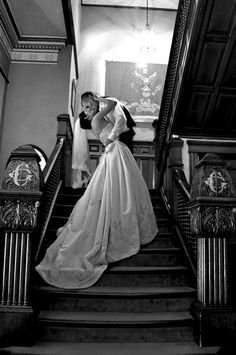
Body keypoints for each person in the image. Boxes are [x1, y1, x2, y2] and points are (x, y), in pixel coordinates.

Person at [35, 92, 158, 289]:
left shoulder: (97, 119)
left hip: (115, 152)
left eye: (88, 106)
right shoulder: (99, 118)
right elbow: (113, 104)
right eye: (86, 107)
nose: (88, 110)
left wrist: (101, 107)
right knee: (118, 190)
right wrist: (102, 101)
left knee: (119, 189)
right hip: (115, 152)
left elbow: (118, 119)